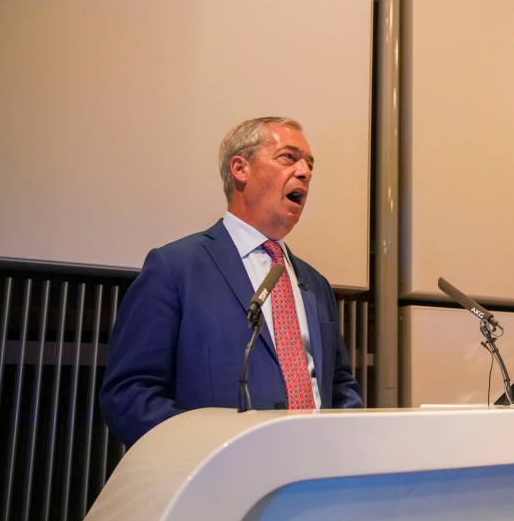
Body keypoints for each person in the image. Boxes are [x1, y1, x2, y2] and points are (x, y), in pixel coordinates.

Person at [100, 117, 363, 447]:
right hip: (218, 482)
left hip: (311, 478)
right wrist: (208, 454)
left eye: (309, 164)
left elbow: (340, 385)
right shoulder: (176, 268)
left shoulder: (315, 281)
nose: (305, 172)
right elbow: (129, 394)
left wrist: (346, 445)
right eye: (289, 157)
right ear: (241, 169)